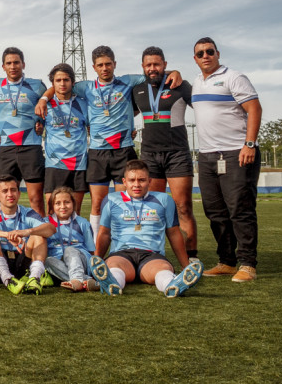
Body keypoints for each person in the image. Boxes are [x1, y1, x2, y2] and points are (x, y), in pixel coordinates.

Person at [36, 46, 181, 239]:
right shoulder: (85, 87)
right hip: (97, 153)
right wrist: (44, 98)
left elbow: (153, 72)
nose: (105, 68)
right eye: (100, 65)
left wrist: (174, 72)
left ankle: (126, 242)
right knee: (97, 203)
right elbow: (60, 85)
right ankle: (94, 247)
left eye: (108, 64)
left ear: (114, 64)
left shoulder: (128, 81)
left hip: (123, 150)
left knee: (126, 202)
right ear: (94, 67)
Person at [191, 37, 262, 282]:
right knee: (215, 212)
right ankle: (226, 261)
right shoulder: (197, 83)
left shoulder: (234, 77)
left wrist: (249, 144)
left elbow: (255, 109)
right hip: (207, 156)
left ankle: (248, 264)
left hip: (236, 153)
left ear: (218, 53)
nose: (205, 56)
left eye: (209, 51)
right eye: (200, 53)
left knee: (240, 210)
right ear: (195, 58)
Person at [90, 160, 204, 297]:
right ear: (124, 182)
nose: (136, 184)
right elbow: (104, 234)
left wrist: (185, 265)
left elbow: (173, 234)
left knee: (163, 270)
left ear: (149, 181)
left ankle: (172, 285)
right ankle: (112, 284)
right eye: (132, 180)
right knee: (114, 267)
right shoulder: (111, 200)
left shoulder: (164, 200)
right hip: (121, 254)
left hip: (152, 255)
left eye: (142, 180)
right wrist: (96, 261)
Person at [132, 46, 198, 258]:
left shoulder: (180, 85)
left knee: (183, 207)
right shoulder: (137, 89)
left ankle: (192, 256)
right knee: (154, 209)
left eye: (157, 64)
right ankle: (154, 254)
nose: (153, 68)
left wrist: (176, 73)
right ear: (143, 67)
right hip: (150, 156)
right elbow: (120, 113)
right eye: (148, 65)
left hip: (177, 153)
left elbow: (203, 106)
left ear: (165, 65)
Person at [0, 47, 47, 216]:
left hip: (30, 146)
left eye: (16, 62)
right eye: (9, 63)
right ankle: (7, 238)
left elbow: (51, 99)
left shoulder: (36, 85)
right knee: (5, 199)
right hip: (6, 149)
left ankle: (40, 240)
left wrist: (41, 122)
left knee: (36, 199)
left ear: (23, 64)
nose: (13, 66)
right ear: (3, 66)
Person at [41, 63, 90, 212]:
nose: (62, 83)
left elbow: (93, 127)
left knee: (75, 212)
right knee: (52, 212)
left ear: (73, 82)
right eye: (58, 80)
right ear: (53, 83)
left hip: (78, 163)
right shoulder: (45, 105)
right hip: (54, 164)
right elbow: (36, 126)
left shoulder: (83, 104)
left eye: (66, 80)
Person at [45, 186, 97, 292]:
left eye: (67, 202)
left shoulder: (83, 223)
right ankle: (88, 281)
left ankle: (77, 280)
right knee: (47, 260)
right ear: (51, 206)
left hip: (80, 260)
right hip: (59, 262)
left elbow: (91, 251)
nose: (63, 206)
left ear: (73, 204)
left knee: (69, 249)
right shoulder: (45, 223)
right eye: (58, 203)